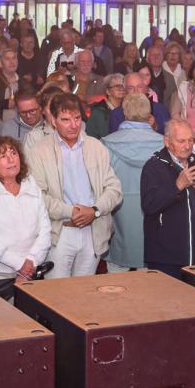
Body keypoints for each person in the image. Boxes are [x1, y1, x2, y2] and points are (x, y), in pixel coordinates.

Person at [26, 94, 122, 278]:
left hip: (93, 231)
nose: (73, 125)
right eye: (65, 120)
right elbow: (37, 197)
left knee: (85, 292)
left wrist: (94, 210)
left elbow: (114, 190)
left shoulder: (96, 147)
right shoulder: (39, 151)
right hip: (59, 232)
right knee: (57, 293)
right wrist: (71, 212)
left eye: (77, 118)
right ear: (53, 121)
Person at [141, 117, 195, 274]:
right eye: (181, 141)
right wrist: (177, 186)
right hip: (167, 259)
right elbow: (149, 206)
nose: (187, 146)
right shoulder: (154, 166)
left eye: (190, 140)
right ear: (167, 142)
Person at [0, 136, 52, 293]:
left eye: (13, 153)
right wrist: (19, 264)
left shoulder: (32, 186)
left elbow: (45, 230)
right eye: (3, 156)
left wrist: (31, 261)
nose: (11, 159)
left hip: (30, 273)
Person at [102, 94, 164, 272]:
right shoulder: (164, 144)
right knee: (150, 281)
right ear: (149, 114)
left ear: (124, 113)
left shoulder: (107, 144)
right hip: (154, 220)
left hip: (118, 216)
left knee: (116, 279)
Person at [85, 73, 127, 139]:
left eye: (123, 86)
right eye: (117, 86)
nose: (121, 88)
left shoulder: (127, 110)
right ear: (107, 91)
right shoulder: (98, 112)